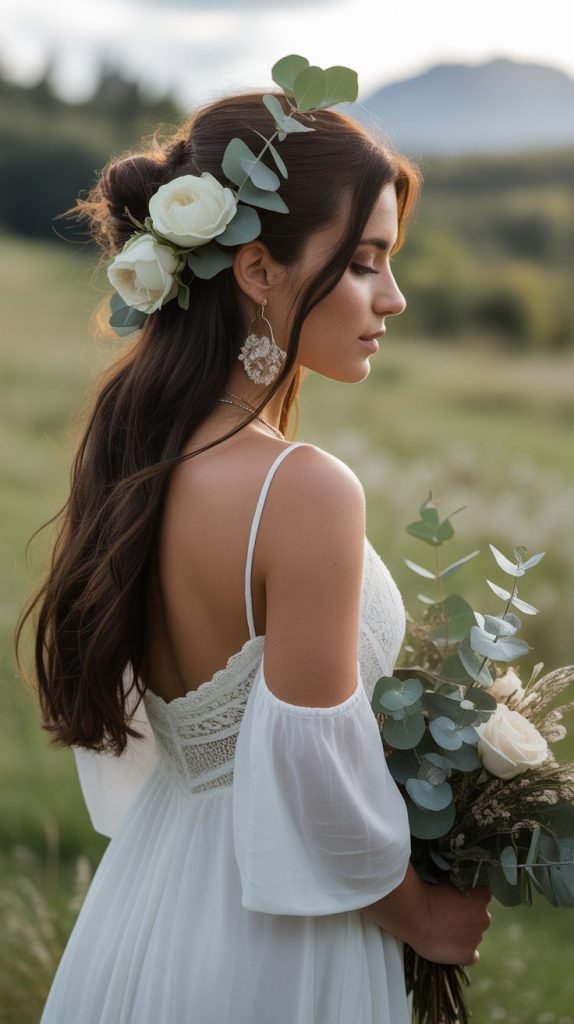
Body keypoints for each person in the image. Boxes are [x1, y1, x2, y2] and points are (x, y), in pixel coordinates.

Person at [17, 56, 491, 1023]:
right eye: (362, 262)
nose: (391, 297)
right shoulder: (304, 489)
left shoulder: (136, 450)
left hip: (155, 896)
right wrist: (428, 920)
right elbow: (312, 782)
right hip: (279, 936)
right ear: (257, 268)